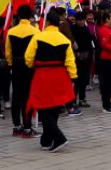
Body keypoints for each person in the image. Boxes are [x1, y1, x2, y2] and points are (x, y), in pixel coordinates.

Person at [24, 10, 78, 152]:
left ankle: (59, 138)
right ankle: (46, 140)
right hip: (60, 76)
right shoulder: (65, 40)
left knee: (42, 108)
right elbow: (70, 62)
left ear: (47, 22)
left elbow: (28, 58)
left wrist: (32, 65)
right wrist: (73, 77)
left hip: (43, 75)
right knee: (54, 107)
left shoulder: (37, 37)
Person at [5, 6, 39, 137]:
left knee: (16, 95)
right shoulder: (35, 31)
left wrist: (10, 64)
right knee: (27, 96)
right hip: (29, 66)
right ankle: (27, 127)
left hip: (16, 65)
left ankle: (16, 126)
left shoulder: (11, 31)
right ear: (30, 16)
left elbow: (8, 52)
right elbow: (37, 50)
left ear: (18, 16)